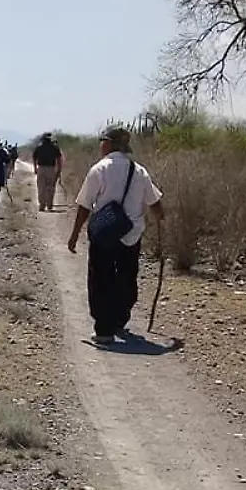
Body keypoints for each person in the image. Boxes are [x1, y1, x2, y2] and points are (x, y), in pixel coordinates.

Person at [65, 128, 164, 344]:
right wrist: (160, 225)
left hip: (104, 234)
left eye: (103, 141)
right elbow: (155, 203)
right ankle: (119, 318)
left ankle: (104, 330)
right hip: (131, 234)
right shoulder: (139, 171)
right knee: (127, 277)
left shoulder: (100, 169)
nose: (101, 144)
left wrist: (74, 236)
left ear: (110, 144)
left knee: (101, 277)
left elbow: (84, 206)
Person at [32, 132, 63, 211]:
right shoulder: (55, 147)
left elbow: (34, 158)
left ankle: (42, 205)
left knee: (41, 187)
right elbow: (59, 159)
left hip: (41, 168)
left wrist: (35, 168)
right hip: (51, 169)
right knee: (50, 187)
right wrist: (59, 170)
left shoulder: (39, 147)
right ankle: (49, 205)